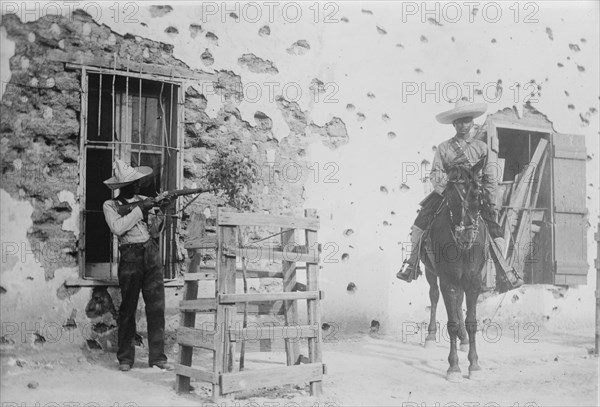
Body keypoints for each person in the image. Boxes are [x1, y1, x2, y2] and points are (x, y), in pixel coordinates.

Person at [396, 99, 522, 289]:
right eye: (460, 122)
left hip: (473, 194)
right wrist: (449, 186)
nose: (464, 125)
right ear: (454, 124)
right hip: (448, 192)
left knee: (494, 228)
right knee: (419, 224)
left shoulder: (481, 148)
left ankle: (504, 271)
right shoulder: (443, 148)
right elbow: (436, 172)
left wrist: (490, 200)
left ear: (472, 123)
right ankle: (411, 263)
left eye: (467, 121)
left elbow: (489, 176)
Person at [103, 160, 173, 372]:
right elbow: (117, 228)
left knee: (157, 306)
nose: (137, 185)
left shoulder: (144, 200)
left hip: (150, 252)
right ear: (122, 186)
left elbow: (154, 232)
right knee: (127, 308)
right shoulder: (111, 205)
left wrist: (161, 211)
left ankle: (158, 357)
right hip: (130, 254)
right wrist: (140, 210)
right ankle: (125, 358)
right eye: (132, 183)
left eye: (136, 182)